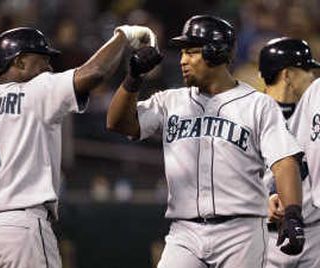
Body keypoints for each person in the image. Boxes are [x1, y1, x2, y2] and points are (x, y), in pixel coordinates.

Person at [0, 25, 157, 268]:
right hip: (20, 228)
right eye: (42, 60)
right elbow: (95, 72)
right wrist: (123, 35)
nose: (49, 68)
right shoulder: (36, 90)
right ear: (19, 62)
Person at [107, 15, 304, 267]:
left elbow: (284, 161)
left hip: (241, 232)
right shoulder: (170, 101)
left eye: (191, 52)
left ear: (216, 52)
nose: (182, 60)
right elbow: (117, 123)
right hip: (185, 232)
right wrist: (132, 79)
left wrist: (293, 213)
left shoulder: (257, 105)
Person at [259, 37, 320, 268]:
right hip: (262, 235)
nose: (312, 77)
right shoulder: (245, 115)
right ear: (287, 74)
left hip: (314, 234)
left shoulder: (313, 113)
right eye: (307, 70)